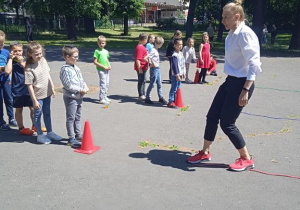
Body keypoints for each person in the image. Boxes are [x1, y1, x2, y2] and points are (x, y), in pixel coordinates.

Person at [187, 0, 262, 172]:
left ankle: (246, 158)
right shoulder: (232, 33)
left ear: (237, 17)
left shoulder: (245, 34)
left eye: (225, 17)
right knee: (212, 116)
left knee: (227, 123)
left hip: (242, 83)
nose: (222, 21)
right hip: (231, 81)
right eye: (222, 17)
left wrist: (245, 89)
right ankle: (205, 152)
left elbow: (254, 64)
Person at [24, 42, 62, 144]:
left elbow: (47, 74)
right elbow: (29, 85)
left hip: (47, 92)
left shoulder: (43, 61)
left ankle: (50, 132)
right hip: (38, 96)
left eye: (40, 53)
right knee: (37, 115)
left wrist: (52, 87)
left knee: (47, 113)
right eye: (36, 54)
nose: (39, 56)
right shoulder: (29, 68)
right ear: (30, 54)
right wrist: (34, 100)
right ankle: (40, 135)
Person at [60, 45, 89, 148]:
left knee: (78, 116)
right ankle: (71, 138)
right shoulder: (65, 69)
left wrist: (85, 87)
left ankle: (78, 134)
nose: (77, 59)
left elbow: (81, 80)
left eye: (77, 56)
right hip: (71, 97)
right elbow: (68, 85)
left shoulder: (76, 68)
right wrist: (80, 89)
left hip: (79, 96)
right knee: (71, 117)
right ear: (67, 57)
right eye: (75, 57)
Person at [5, 41, 34, 136]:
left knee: (33, 108)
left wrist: (21, 62)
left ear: (23, 51)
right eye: (15, 51)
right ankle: (21, 128)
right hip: (17, 89)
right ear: (11, 51)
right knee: (19, 109)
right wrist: (10, 59)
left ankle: (35, 125)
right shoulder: (11, 61)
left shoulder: (26, 59)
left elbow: (28, 69)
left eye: (19, 51)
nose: (17, 53)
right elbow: (8, 71)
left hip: (28, 87)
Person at [0, 31, 17, 131]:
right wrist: (3, 68)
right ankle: (1, 121)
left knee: (9, 99)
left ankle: (11, 118)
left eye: (2, 44)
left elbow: (11, 66)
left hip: (6, 79)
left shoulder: (6, 53)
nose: (1, 46)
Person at [145, 36, 168, 105]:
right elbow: (146, 57)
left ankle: (160, 97)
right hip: (154, 69)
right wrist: (150, 63)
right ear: (159, 44)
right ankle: (147, 97)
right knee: (152, 83)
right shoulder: (153, 50)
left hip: (158, 68)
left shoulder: (156, 50)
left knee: (159, 84)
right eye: (161, 44)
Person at [167, 38, 186, 109]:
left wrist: (184, 72)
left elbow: (183, 64)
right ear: (175, 45)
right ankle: (171, 101)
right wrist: (177, 74)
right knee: (174, 88)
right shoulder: (174, 55)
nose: (180, 46)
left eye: (181, 45)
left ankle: (176, 100)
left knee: (178, 88)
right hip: (175, 75)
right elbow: (174, 66)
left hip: (180, 74)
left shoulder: (181, 54)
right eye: (179, 45)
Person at [93, 35, 111, 104]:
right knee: (103, 83)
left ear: (105, 43)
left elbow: (107, 59)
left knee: (107, 83)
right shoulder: (97, 51)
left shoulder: (106, 51)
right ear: (98, 43)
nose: (101, 44)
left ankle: (105, 96)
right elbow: (95, 62)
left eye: (103, 43)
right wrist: (103, 67)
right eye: (100, 43)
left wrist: (109, 65)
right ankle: (101, 98)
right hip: (101, 69)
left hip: (106, 69)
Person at [134, 33, 149, 100]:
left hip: (144, 66)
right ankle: (141, 94)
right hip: (141, 67)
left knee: (144, 80)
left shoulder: (142, 47)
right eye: (146, 40)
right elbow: (138, 59)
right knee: (141, 80)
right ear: (144, 40)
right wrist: (139, 68)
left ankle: (143, 93)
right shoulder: (139, 48)